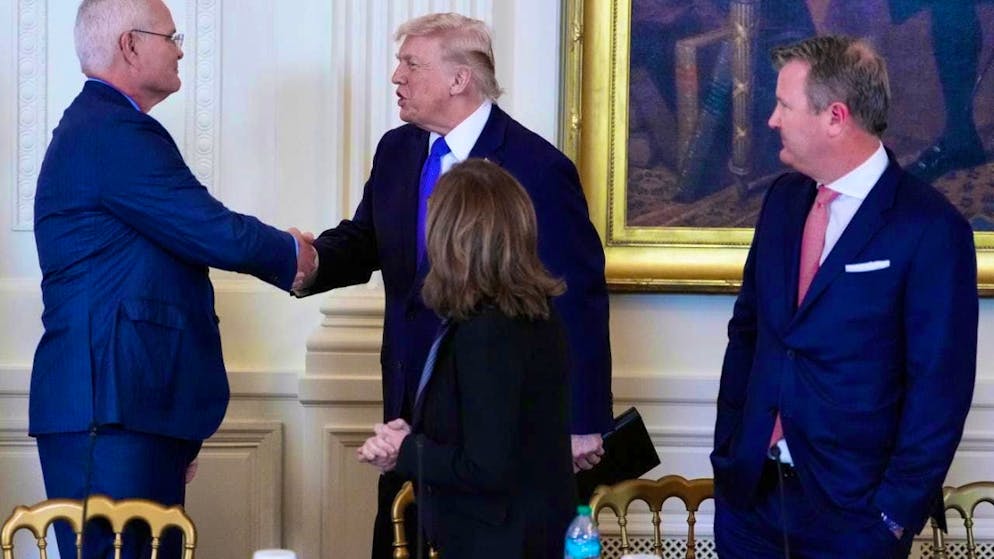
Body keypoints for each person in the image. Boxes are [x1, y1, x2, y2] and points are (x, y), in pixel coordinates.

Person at [294, 13, 612, 557]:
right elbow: (367, 240)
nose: (396, 76)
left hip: (491, 418)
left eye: (411, 64)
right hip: (409, 400)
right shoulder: (398, 151)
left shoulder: (536, 166)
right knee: (402, 536)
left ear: (459, 79)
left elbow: (577, 297)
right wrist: (309, 262)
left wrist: (583, 422)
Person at [30, 0, 316, 557]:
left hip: (129, 404)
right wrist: (295, 254)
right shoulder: (112, 131)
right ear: (130, 45)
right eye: (171, 36)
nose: (181, 48)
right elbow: (209, 229)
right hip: (108, 406)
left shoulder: (109, 127)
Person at [711, 35, 978, 557]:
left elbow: (939, 388)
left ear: (835, 117)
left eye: (784, 105)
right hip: (751, 500)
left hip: (856, 517)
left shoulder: (929, 227)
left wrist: (893, 516)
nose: (772, 119)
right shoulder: (783, 202)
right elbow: (748, 333)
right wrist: (728, 453)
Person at [357, 159, 577, 558]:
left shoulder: (490, 331)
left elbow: (488, 467)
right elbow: (493, 427)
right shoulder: (528, 314)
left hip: (498, 543)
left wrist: (405, 450)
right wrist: (413, 436)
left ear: (453, 237)